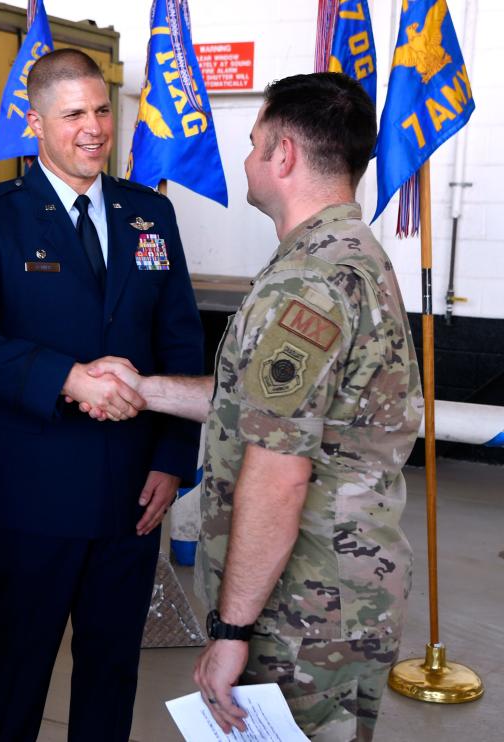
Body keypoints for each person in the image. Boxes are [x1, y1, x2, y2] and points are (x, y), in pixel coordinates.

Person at [84, 72, 424, 742]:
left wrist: (232, 630)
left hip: (302, 609)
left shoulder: (308, 284)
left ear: (285, 156)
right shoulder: (349, 256)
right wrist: (143, 387)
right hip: (345, 591)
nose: (245, 160)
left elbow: (278, 472)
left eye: (252, 143)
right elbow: (262, 405)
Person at [0, 48, 204, 741]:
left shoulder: (149, 214)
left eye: (103, 110)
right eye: (74, 113)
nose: (94, 128)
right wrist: (68, 377)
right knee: (16, 669)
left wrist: (173, 460)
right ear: (36, 121)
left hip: (133, 494)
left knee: (113, 672)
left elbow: (182, 345)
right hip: (35, 490)